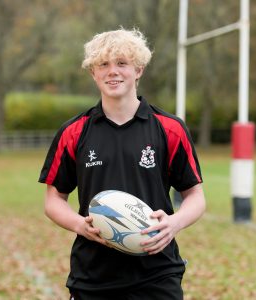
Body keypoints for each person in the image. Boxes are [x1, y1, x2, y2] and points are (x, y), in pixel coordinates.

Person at [39, 28, 206, 300]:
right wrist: (80, 225)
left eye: (122, 63)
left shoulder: (170, 129)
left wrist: (174, 223)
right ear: (93, 73)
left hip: (157, 273)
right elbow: (53, 200)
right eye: (103, 64)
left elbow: (195, 196)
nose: (112, 71)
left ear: (138, 70)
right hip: (93, 276)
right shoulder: (73, 132)